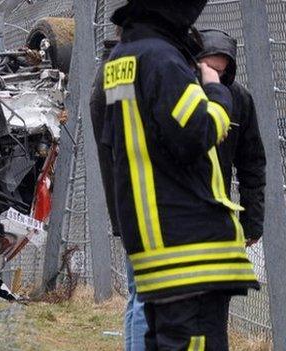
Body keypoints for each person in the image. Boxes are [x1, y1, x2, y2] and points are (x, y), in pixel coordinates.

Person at [102, 1, 260, 349]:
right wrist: (216, 91)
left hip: (152, 238)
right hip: (189, 242)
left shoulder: (122, 59)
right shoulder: (162, 59)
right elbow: (196, 133)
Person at [90, 38, 147, 351]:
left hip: (128, 202)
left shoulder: (112, 71)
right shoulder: (121, 73)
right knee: (146, 293)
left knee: (138, 291)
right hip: (140, 203)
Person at [197, 29, 266, 247]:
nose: (213, 77)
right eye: (208, 69)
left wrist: (251, 221)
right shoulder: (176, 90)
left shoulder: (239, 99)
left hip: (217, 211)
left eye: (220, 71)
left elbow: (251, 164)